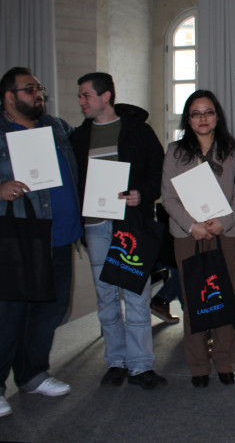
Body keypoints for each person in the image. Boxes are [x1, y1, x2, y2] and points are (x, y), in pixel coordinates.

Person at [70, 72, 166, 390]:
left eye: (86, 95)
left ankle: (141, 366)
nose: (81, 101)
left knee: (136, 296)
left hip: (131, 224)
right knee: (106, 298)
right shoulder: (78, 138)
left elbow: (158, 170)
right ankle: (116, 361)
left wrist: (142, 193)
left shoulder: (137, 130)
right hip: (96, 227)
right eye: (80, 96)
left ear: (106, 96)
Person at [0, 67, 82, 417]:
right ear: (8, 96)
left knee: (51, 308)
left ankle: (32, 374)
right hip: (21, 237)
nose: (39, 94)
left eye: (39, 88)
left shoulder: (57, 126)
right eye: (29, 89)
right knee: (11, 313)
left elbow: (93, 146)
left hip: (61, 235)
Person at [162, 90, 235, 387]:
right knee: (193, 298)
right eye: (196, 113)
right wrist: (191, 225)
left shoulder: (233, 150)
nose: (202, 118)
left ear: (217, 116)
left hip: (226, 234)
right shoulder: (175, 151)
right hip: (189, 235)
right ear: (188, 118)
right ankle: (198, 364)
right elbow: (168, 198)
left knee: (226, 297)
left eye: (208, 112)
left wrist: (222, 223)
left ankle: (225, 361)